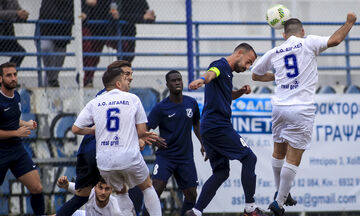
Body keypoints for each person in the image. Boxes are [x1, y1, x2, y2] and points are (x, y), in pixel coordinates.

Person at [251, 13, 357, 216]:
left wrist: (276, 76)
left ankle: (280, 192)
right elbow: (335, 40)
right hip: (301, 108)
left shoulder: (276, 51)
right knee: (293, 158)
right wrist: (349, 22)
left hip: (280, 106)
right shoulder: (308, 42)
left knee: (278, 153)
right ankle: (279, 204)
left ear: (283, 35)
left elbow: (255, 74)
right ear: (302, 31)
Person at [185, 43, 266, 216]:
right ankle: (250, 208)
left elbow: (227, 95)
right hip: (217, 126)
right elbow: (211, 73)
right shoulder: (220, 66)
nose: (247, 67)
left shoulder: (227, 73)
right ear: (239, 53)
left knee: (221, 172)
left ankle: (196, 211)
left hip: (210, 127)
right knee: (249, 158)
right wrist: (202, 79)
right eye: (248, 62)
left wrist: (241, 92)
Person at [71, 64, 162, 215]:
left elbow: (76, 129)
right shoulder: (132, 99)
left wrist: (93, 130)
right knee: (147, 187)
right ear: (118, 83)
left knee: (121, 191)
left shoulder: (95, 102)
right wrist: (142, 135)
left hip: (104, 162)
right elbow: (141, 131)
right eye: (126, 80)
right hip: (128, 157)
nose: (128, 82)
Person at [56, 60, 139, 216]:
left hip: (87, 151)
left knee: (81, 197)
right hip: (104, 149)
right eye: (127, 74)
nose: (130, 78)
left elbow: (78, 128)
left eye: (131, 74)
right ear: (116, 77)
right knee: (136, 185)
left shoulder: (102, 95)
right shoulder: (120, 97)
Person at [143, 70, 205, 216]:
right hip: (166, 157)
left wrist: (203, 143)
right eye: (173, 80)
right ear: (167, 84)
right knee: (154, 192)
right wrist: (153, 138)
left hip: (185, 158)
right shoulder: (160, 108)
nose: (177, 82)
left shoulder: (191, 103)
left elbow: (196, 123)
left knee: (191, 195)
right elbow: (144, 129)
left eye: (179, 80)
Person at [0, 62, 44, 215]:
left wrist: (27, 124)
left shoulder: (16, 95)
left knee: (37, 188)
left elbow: (12, 119)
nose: (13, 78)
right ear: (0, 78)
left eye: (15, 74)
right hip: (2, 151)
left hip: (17, 150)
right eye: (8, 75)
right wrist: (16, 133)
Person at [38, 0, 74, 87]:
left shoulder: (70, 2)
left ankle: (52, 82)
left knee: (58, 62)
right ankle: (52, 82)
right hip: (46, 31)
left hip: (63, 34)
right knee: (45, 48)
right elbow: (48, 13)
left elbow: (75, 15)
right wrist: (67, 17)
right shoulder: (48, 2)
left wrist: (66, 17)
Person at [81, 0, 113, 87]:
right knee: (88, 52)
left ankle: (89, 78)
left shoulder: (104, 3)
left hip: (101, 29)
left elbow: (111, 7)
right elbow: (77, 12)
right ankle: (87, 79)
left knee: (95, 57)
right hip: (87, 27)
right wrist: (85, 4)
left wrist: (113, 12)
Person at [56, 176, 121, 215]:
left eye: (107, 189)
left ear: (111, 190)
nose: (103, 192)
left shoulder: (116, 210)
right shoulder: (88, 192)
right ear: (95, 187)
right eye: (100, 188)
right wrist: (61, 182)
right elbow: (64, 185)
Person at [0, 0, 28, 67]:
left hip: (8, 36)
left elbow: (18, 11)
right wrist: (16, 14)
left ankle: (6, 75)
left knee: (20, 52)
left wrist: (23, 16)